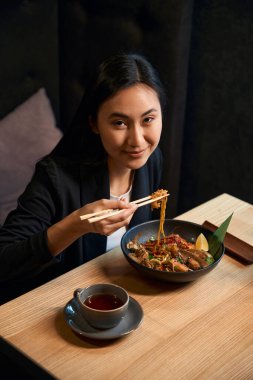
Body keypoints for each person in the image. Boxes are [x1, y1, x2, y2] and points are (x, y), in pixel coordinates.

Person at [0, 53, 167, 302]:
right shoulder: (55, 177)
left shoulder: (150, 160)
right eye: (120, 123)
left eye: (148, 120)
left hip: (126, 298)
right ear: (94, 124)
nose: (137, 140)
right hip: (61, 308)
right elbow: (4, 260)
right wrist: (78, 224)